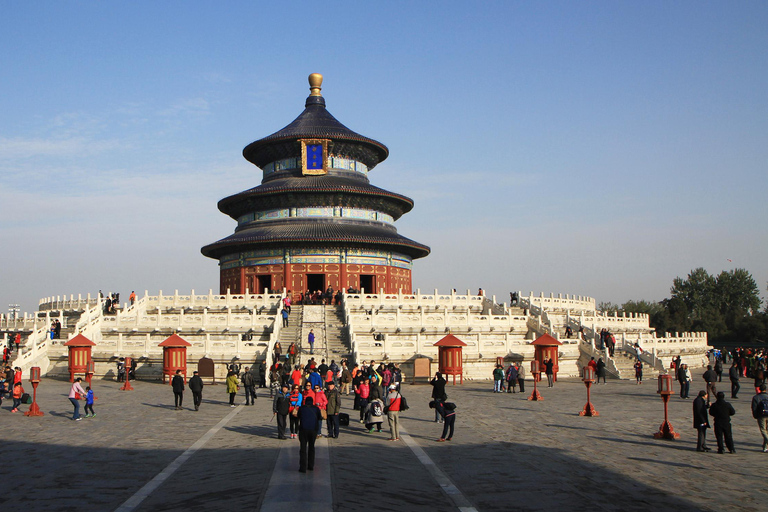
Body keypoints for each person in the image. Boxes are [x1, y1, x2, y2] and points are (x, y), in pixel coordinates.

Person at [297, 396, 322, 473]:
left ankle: (302, 467)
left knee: (303, 449)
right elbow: (319, 418)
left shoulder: (301, 408)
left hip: (303, 430)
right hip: (313, 430)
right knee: (311, 448)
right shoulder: (316, 408)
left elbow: (298, 416)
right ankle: (311, 466)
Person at [750, 384, 768, 452]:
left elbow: (754, 408)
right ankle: (765, 447)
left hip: (761, 415)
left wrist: (755, 415)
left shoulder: (756, 397)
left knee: (763, 430)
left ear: (759, 389)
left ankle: (766, 443)